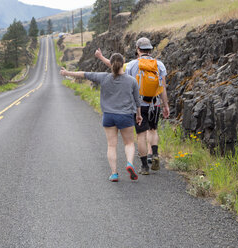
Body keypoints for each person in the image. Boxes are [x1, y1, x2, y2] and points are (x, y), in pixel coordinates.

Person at [60, 53, 142, 182]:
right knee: (129, 143)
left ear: (111, 64)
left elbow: (84, 74)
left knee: (111, 145)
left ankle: (114, 173)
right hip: (126, 116)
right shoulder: (131, 80)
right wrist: (139, 115)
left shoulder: (103, 77)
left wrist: (67, 73)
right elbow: (137, 101)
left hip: (109, 116)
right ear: (123, 63)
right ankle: (129, 163)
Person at [95, 37, 170, 175]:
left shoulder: (131, 65)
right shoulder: (159, 65)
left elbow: (116, 69)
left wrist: (101, 57)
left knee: (141, 134)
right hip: (155, 103)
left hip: (139, 105)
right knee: (153, 130)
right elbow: (163, 87)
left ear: (138, 49)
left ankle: (144, 167)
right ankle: (154, 154)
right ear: (150, 49)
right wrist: (165, 105)